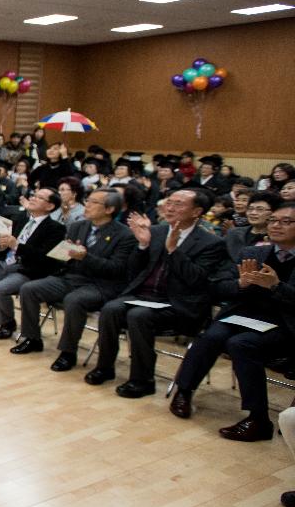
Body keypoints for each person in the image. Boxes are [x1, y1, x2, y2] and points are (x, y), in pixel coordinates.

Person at [170, 201, 295, 441]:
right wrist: (241, 284)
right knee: (211, 336)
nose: (277, 226)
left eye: (286, 221)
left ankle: (258, 419)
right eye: (273, 221)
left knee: (241, 344)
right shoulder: (253, 252)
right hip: (245, 316)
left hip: (284, 325)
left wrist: (276, 287)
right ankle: (184, 391)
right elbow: (217, 286)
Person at [85, 189, 230, 397]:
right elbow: (133, 269)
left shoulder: (211, 243)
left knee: (138, 316)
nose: (170, 208)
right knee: (110, 309)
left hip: (177, 303)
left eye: (179, 204)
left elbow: (197, 280)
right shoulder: (157, 230)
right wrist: (143, 244)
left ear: (197, 211)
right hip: (144, 295)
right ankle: (105, 367)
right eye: (169, 202)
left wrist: (173, 251)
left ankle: (142, 379)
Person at [13, 189, 138, 369]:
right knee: (30, 289)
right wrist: (62, 253)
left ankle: (68, 352)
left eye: (94, 202)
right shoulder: (78, 227)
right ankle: (32, 338)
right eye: (87, 200)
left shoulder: (125, 235)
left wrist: (85, 257)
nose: (86, 204)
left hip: (100, 284)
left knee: (74, 300)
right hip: (71, 277)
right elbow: (61, 257)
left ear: (110, 209)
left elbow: (117, 269)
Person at [0, 188, 66, 338]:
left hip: (27, 269)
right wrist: (3, 244)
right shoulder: (22, 219)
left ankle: (7, 323)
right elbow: (7, 242)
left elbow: (43, 257)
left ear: (50, 206)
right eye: (34, 195)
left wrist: (16, 246)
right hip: (6, 262)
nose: (32, 198)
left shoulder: (56, 229)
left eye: (39, 198)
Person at [226, 191, 279, 261]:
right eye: (250, 209)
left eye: (260, 209)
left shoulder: (278, 239)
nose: (253, 213)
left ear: (274, 213)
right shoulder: (233, 233)